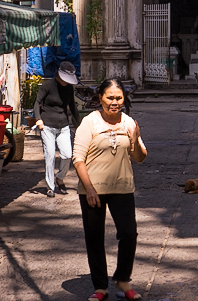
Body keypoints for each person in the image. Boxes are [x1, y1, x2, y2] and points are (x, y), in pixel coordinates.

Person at [73, 77, 147, 301]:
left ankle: (123, 280)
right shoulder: (89, 122)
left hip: (122, 188)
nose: (114, 102)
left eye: (119, 98)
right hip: (92, 190)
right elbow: (78, 159)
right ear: (100, 98)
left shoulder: (129, 122)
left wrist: (135, 139)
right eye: (109, 97)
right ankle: (101, 287)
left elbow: (140, 158)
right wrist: (90, 189)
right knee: (94, 238)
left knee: (128, 234)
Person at [34, 60, 80, 197]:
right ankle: (50, 186)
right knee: (50, 156)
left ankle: (60, 178)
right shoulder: (47, 85)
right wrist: (38, 119)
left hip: (64, 126)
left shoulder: (69, 88)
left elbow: (73, 107)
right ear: (59, 75)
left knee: (67, 155)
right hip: (47, 125)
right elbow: (37, 103)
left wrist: (81, 124)